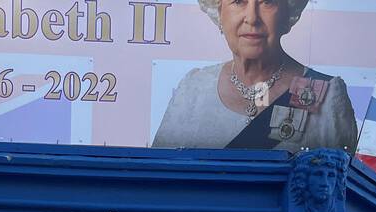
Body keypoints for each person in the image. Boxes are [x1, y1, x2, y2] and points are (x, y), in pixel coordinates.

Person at [152, 0, 358, 151]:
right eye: (239, 2)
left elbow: (337, 196)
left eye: (267, 2)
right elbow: (158, 182)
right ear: (218, 11)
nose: (252, 18)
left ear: (287, 15)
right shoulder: (193, 89)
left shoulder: (326, 95)